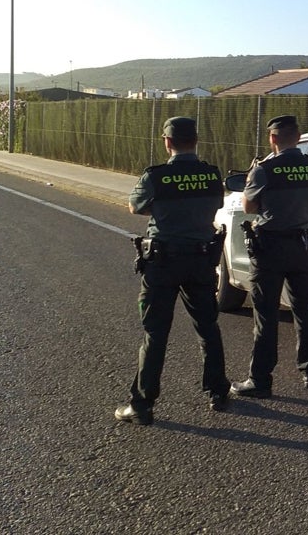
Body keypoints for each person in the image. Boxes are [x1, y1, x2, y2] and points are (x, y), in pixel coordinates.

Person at [116, 116, 230, 425]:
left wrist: (166, 210)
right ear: (196, 140)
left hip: (163, 262)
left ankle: (142, 405)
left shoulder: (156, 177)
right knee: (208, 327)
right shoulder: (211, 175)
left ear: (167, 142)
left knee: (156, 333)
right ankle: (219, 391)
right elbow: (214, 206)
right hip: (201, 260)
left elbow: (135, 206)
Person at [232, 114, 308, 397]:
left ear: (272, 138)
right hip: (304, 247)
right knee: (304, 312)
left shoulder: (264, 170)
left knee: (266, 315)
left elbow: (248, 207)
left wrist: (252, 177)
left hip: (270, 247)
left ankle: (260, 380)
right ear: (298, 137)